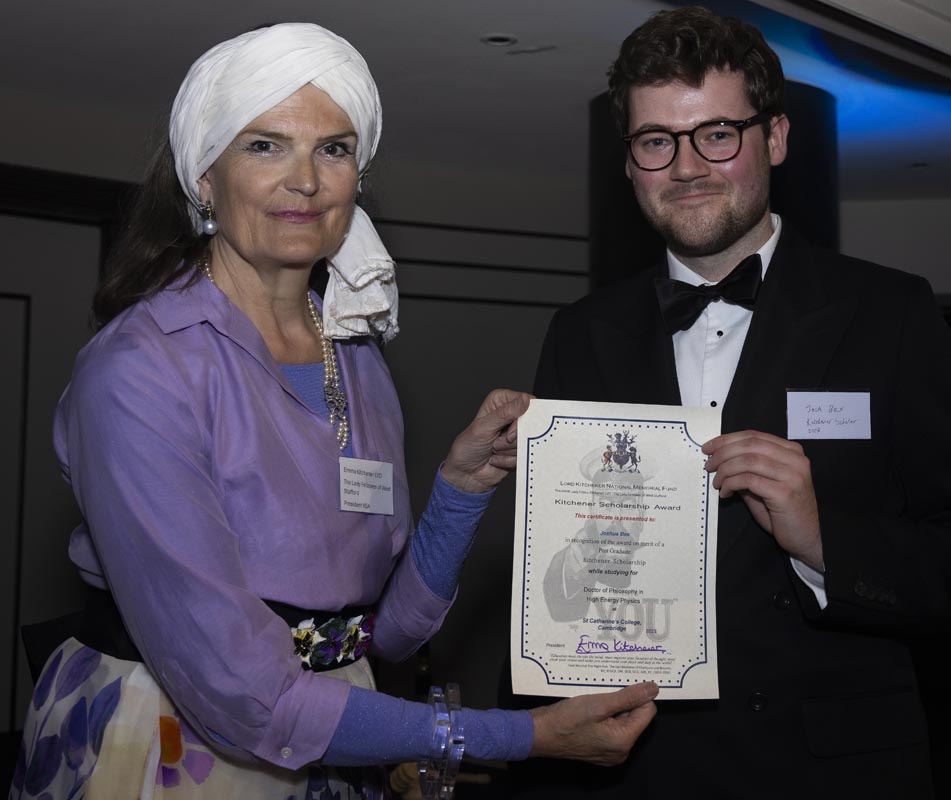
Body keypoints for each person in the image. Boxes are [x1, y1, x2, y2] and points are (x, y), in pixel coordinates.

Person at [11, 23, 659, 800]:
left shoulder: (354, 357)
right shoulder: (140, 369)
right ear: (204, 178)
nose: (306, 181)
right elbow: (243, 694)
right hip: (175, 743)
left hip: (343, 732)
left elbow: (390, 630)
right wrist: (520, 737)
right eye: (264, 146)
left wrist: (461, 488)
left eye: (334, 149)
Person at [506, 6, 951, 799]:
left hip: (829, 775)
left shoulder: (891, 313)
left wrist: (822, 540)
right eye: (655, 141)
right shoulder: (580, 332)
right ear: (629, 162)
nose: (685, 167)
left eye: (716, 134)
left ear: (773, 138)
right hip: (639, 771)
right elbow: (561, 568)